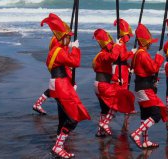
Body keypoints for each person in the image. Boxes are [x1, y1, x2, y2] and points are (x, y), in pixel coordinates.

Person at [41, 13, 91, 158]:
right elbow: (75, 63)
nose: (69, 39)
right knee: (72, 118)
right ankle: (58, 147)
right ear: (63, 37)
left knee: (63, 118)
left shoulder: (55, 51)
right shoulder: (58, 51)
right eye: (68, 37)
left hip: (59, 83)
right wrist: (75, 49)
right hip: (61, 85)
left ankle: (59, 144)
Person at [130, 23, 167, 149]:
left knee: (145, 115)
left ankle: (145, 141)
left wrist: (152, 81)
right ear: (145, 42)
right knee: (156, 114)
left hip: (141, 86)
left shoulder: (137, 53)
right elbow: (153, 68)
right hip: (144, 88)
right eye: (150, 41)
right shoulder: (143, 54)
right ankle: (137, 133)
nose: (151, 43)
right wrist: (160, 57)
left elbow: (145, 71)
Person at [92, 28, 135, 137]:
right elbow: (113, 57)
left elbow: (106, 70)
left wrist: (115, 79)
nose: (111, 45)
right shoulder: (102, 55)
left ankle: (100, 131)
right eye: (110, 44)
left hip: (99, 83)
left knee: (104, 108)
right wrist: (117, 47)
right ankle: (105, 123)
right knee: (117, 100)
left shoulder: (101, 54)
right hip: (102, 85)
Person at [32, 35, 59, 115]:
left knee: (55, 87)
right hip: (56, 62)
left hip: (53, 61)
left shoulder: (56, 38)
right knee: (60, 86)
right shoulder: (57, 38)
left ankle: (38, 103)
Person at [111, 18, 135, 89]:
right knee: (121, 88)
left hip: (122, 67)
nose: (129, 37)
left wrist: (128, 67)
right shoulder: (120, 44)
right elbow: (122, 57)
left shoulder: (122, 43)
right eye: (128, 35)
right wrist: (131, 52)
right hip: (119, 68)